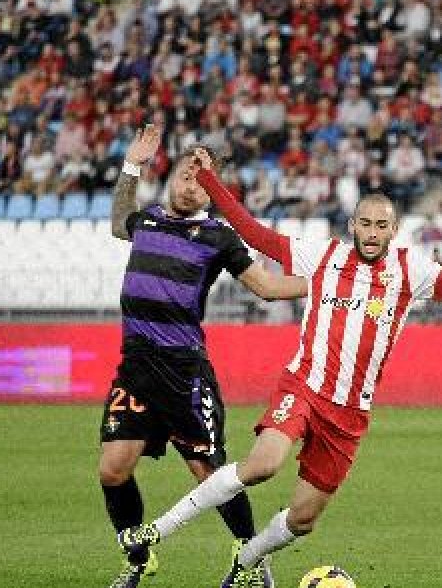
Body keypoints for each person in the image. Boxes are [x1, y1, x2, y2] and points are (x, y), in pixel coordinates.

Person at [110, 148, 442, 587]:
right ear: (352, 225)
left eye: (381, 225)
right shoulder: (323, 257)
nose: (371, 233)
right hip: (304, 384)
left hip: (349, 411)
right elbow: (252, 232)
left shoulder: (410, 270)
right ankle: (157, 531)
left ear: (394, 230)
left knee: (304, 518)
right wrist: (211, 181)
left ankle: (246, 560)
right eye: (364, 223)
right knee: (262, 464)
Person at [104, 126, 308, 588]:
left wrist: (330, 283)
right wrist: (131, 166)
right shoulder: (148, 220)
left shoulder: (218, 237)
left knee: (209, 472)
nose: (188, 184)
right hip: (134, 367)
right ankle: (138, 559)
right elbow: (120, 222)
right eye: (183, 175)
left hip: (182, 372)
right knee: (113, 470)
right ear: (172, 178)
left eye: (200, 180)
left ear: (211, 191)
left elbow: (269, 287)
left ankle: (251, 558)